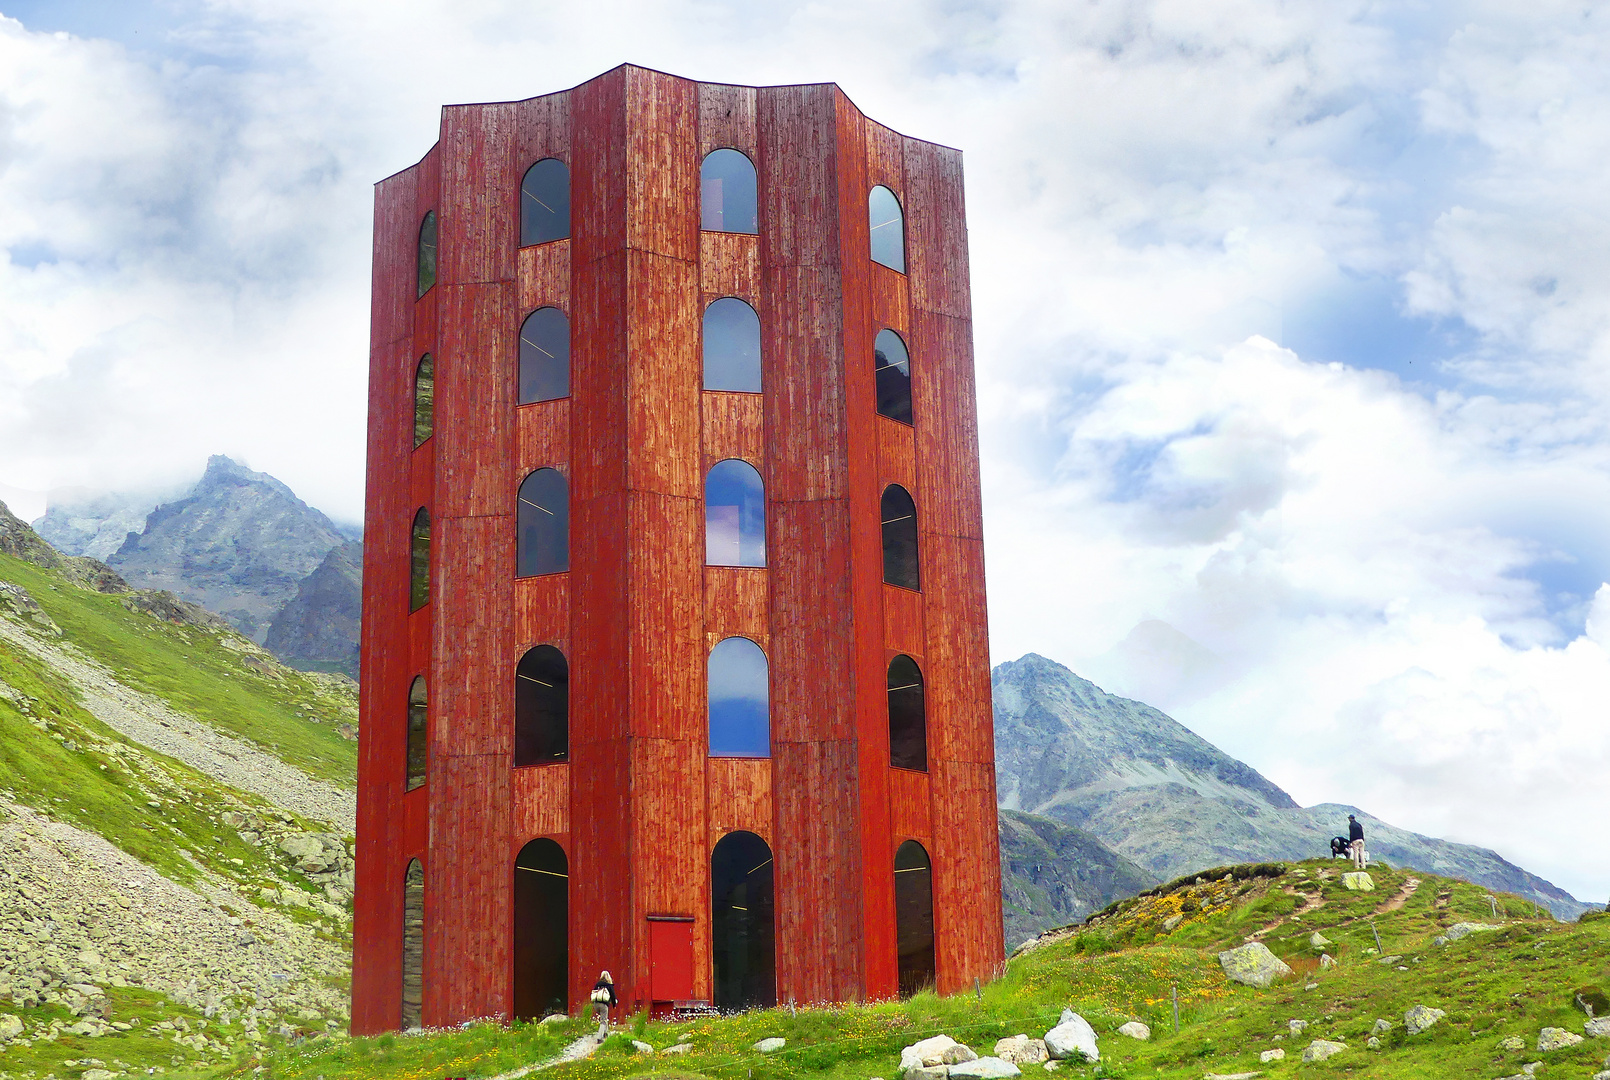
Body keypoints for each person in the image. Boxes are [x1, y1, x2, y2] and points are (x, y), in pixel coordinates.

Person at [589, 970, 617, 1036]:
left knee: (603, 1018)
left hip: (596, 1004)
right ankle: (600, 1037)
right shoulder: (609, 985)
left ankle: (605, 1033)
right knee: (603, 1021)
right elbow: (613, 996)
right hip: (603, 1005)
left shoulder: (598, 984)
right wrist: (614, 1005)